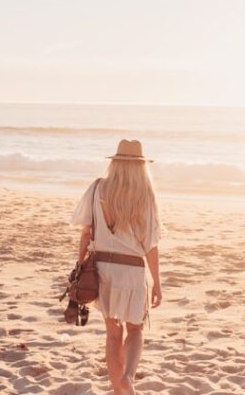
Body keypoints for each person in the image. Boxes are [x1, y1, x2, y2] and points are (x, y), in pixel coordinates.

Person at [70, 139, 163, 395]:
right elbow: (151, 244)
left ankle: (119, 389)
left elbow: (85, 234)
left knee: (113, 333)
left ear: (115, 162)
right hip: (132, 270)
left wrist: (80, 269)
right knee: (135, 329)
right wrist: (157, 282)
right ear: (141, 166)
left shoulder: (98, 188)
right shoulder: (145, 194)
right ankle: (128, 379)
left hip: (103, 269)